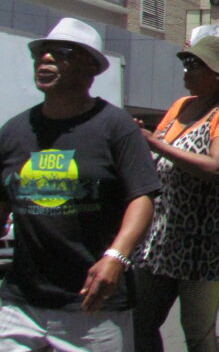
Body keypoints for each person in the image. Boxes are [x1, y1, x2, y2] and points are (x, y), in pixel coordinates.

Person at [0, 18, 161, 351]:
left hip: (93, 306)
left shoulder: (117, 128)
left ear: (91, 68)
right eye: (42, 53)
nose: (45, 59)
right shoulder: (15, 131)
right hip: (20, 303)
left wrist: (116, 257)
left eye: (60, 53)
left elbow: (143, 196)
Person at [132, 36, 219, 352]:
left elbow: (217, 166)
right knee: (139, 321)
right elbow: (158, 155)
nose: (186, 71)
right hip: (163, 239)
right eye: (185, 63)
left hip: (210, 244)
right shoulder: (181, 105)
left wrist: (155, 143)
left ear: (217, 72)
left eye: (194, 64)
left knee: (197, 331)